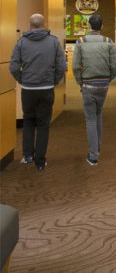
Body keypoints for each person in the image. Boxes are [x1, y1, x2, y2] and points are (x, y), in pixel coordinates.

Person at [8, 14, 67, 172]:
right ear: (44, 24)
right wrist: (54, 80)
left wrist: (22, 79)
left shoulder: (21, 42)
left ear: (29, 25)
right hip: (46, 89)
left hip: (28, 89)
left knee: (28, 121)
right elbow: (61, 66)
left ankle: (27, 156)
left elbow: (13, 66)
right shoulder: (53, 42)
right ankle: (40, 161)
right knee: (43, 124)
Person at [72, 14, 116, 166]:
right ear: (102, 26)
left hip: (88, 85)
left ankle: (93, 156)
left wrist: (80, 82)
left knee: (90, 119)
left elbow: (75, 66)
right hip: (103, 84)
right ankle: (97, 147)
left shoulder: (81, 42)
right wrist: (108, 79)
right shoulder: (108, 42)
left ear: (88, 25)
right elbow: (115, 66)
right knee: (98, 114)